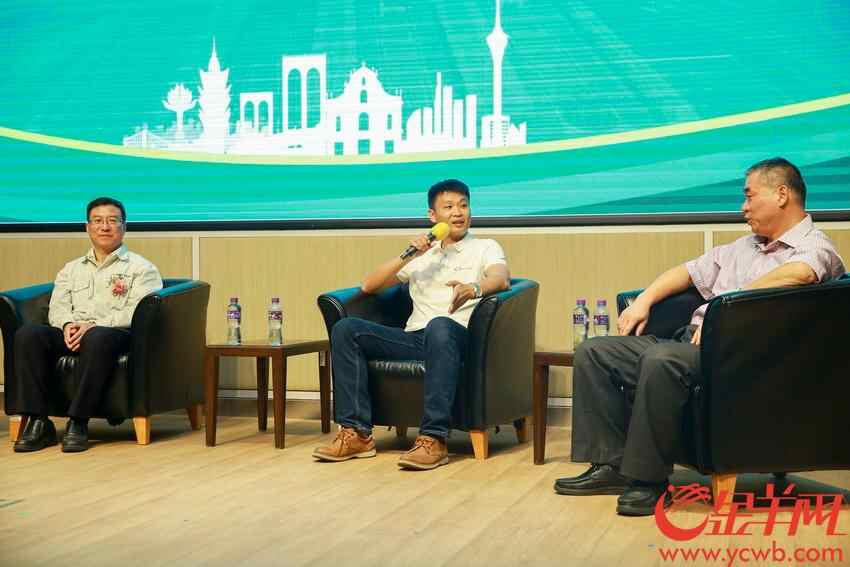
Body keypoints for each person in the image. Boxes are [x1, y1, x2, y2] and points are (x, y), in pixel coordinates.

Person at [554, 157, 845, 515]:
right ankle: (610, 465)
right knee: (595, 351)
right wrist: (644, 301)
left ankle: (648, 482)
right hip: (693, 342)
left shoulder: (815, 246)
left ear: (782, 194)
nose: (743, 207)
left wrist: (724, 311)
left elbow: (799, 274)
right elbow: (687, 272)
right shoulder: (744, 246)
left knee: (662, 360)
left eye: (749, 196)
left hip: (745, 357)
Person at [313, 179, 510, 470]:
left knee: (440, 325)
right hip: (417, 338)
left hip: (459, 337)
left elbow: (501, 278)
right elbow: (369, 285)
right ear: (433, 216)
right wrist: (409, 254)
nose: (458, 212)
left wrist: (474, 288)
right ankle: (357, 434)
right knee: (347, 329)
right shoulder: (422, 255)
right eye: (449, 207)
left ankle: (433, 438)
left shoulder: (485, 247)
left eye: (463, 205)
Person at [12, 197, 163, 453]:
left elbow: (137, 311)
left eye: (112, 221)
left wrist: (92, 325)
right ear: (87, 227)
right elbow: (57, 306)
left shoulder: (141, 268)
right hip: (73, 333)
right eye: (98, 221)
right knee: (29, 335)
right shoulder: (71, 269)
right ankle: (38, 422)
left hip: (116, 334)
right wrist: (67, 325)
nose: (105, 227)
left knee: (97, 336)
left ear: (124, 227)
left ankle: (78, 421)